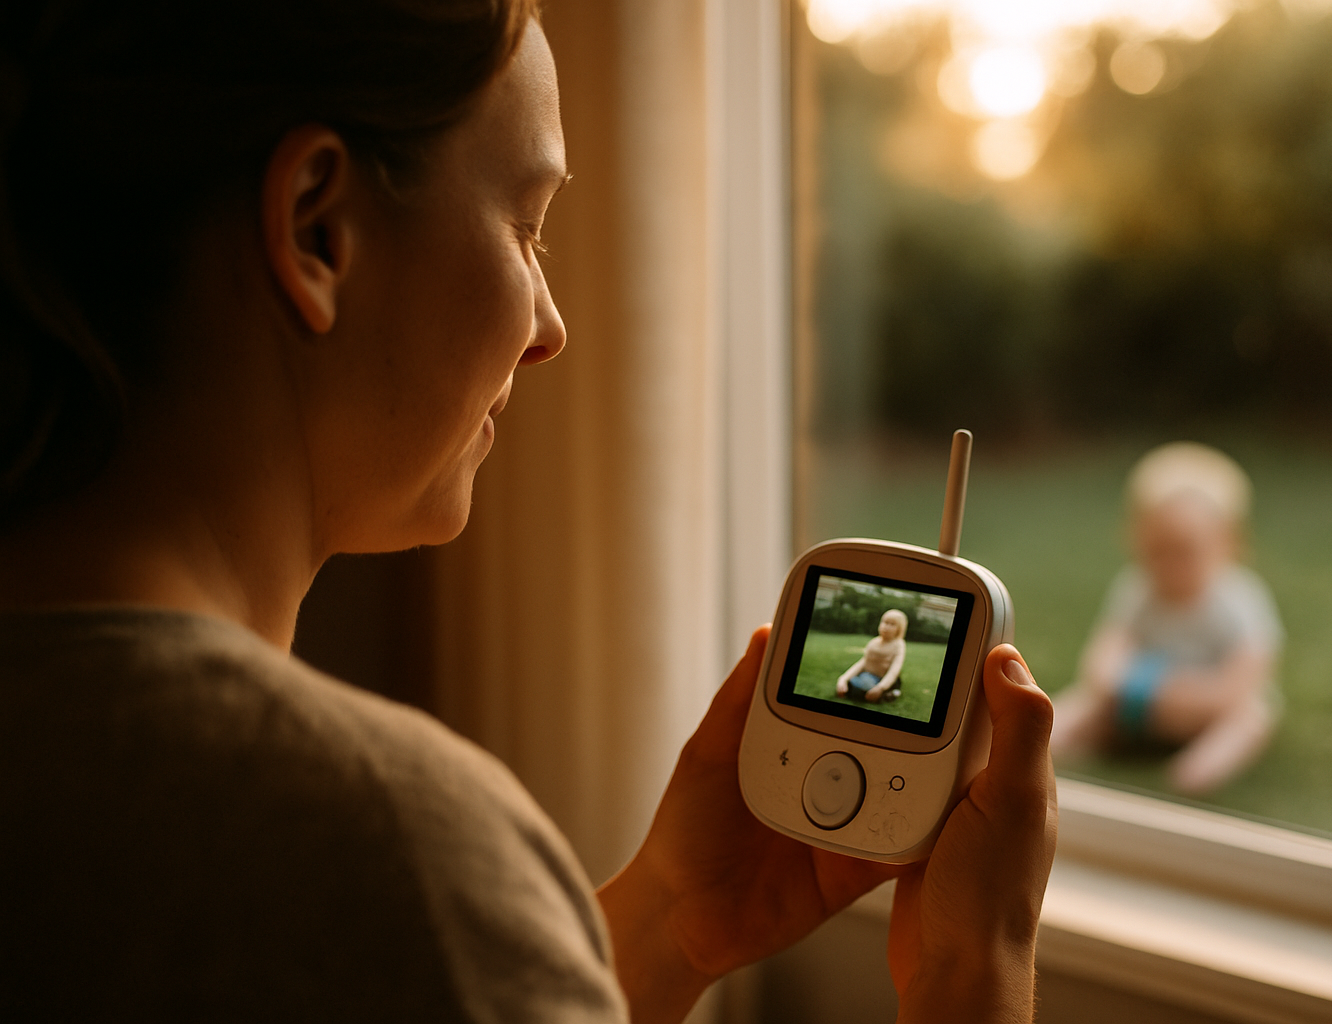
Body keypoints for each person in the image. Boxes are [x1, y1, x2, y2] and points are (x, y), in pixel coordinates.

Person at [0, 2, 1058, 1022]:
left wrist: (669, 922)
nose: (550, 328)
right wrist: (974, 969)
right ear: (316, 226)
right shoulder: (378, 849)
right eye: (527, 225)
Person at [1050, 443, 1284, 796]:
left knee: (1252, 716)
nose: (1170, 566)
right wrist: (1115, 682)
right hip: (1136, 703)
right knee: (1082, 702)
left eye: (1185, 551)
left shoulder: (1240, 599)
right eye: (1157, 551)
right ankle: (1045, 741)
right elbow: (1103, 658)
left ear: (1228, 544)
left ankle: (1196, 770)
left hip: (1206, 709)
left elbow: (1244, 681)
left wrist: (1182, 696)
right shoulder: (1137, 588)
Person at [836, 608, 907, 703]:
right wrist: (843, 678)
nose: (886, 626)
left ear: (900, 629)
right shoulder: (874, 642)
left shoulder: (898, 645)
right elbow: (862, 663)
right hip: (868, 676)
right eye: (885, 622)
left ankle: (889, 692)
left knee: (865, 685)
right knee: (857, 682)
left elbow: (894, 670)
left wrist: (881, 687)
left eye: (892, 624)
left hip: (884, 679)